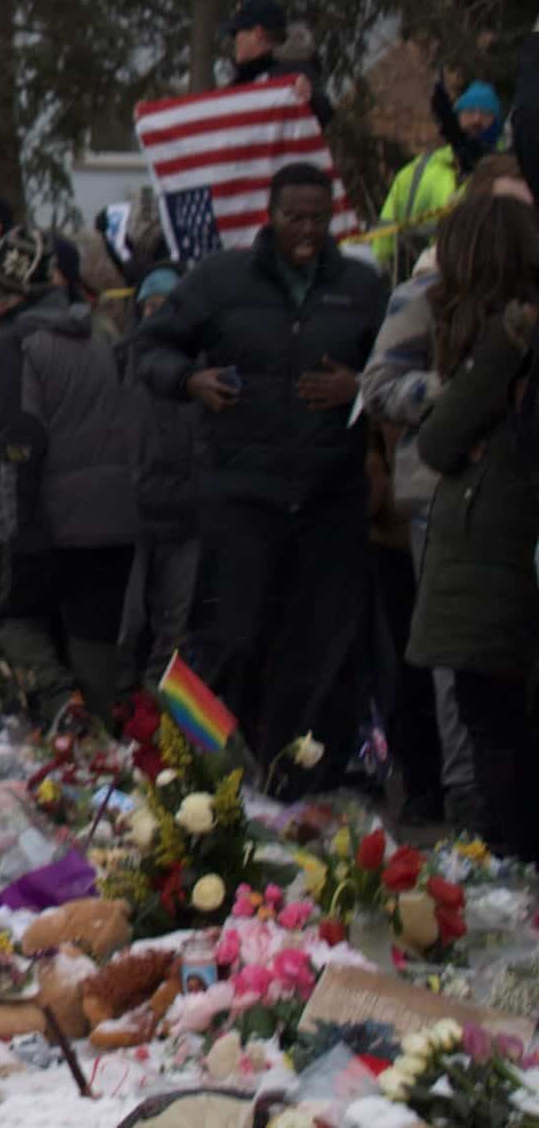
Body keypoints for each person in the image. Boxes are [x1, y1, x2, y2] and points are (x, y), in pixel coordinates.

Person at [137, 161, 387, 781]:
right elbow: (149, 347)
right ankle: (193, 769)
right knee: (228, 638)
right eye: (293, 218)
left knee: (318, 649)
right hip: (240, 496)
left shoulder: (359, 287)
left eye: (318, 219)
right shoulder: (220, 279)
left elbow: (397, 368)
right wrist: (189, 380)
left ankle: (297, 783)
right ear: (269, 217)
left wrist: (360, 386)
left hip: (330, 498)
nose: (306, 231)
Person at [358, 151, 531, 828]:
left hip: (503, 510)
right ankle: (466, 809)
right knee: (465, 677)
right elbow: (383, 387)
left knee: (495, 697)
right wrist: (450, 393)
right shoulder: (427, 297)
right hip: (444, 501)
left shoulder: (516, 319)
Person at [406, 191, 539, 861]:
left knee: (500, 743)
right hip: (492, 571)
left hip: (498, 573)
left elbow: (435, 442)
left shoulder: (504, 338)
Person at [0, 226, 140, 724]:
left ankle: (63, 711)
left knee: (14, 621)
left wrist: (13, 527)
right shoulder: (98, 333)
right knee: (95, 642)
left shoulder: (12, 345)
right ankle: (110, 757)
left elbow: (19, 438)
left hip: (48, 513)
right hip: (117, 517)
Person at [118, 265, 200, 691]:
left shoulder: (201, 364)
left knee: (177, 626)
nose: (157, 314)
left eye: (166, 305)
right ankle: (126, 711)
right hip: (131, 512)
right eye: (150, 306)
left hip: (187, 512)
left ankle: (162, 718)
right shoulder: (120, 359)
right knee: (128, 624)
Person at [377, 80, 503, 274]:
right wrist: (378, 270)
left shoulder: (505, 172)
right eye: (469, 112)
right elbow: (386, 227)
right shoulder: (418, 170)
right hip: (414, 279)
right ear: (456, 117)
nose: (476, 119)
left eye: (486, 114)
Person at [223, 0, 334, 126]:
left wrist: (309, 98)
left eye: (236, 33)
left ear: (257, 33)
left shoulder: (296, 72)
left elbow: (323, 113)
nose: (234, 40)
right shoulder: (239, 81)